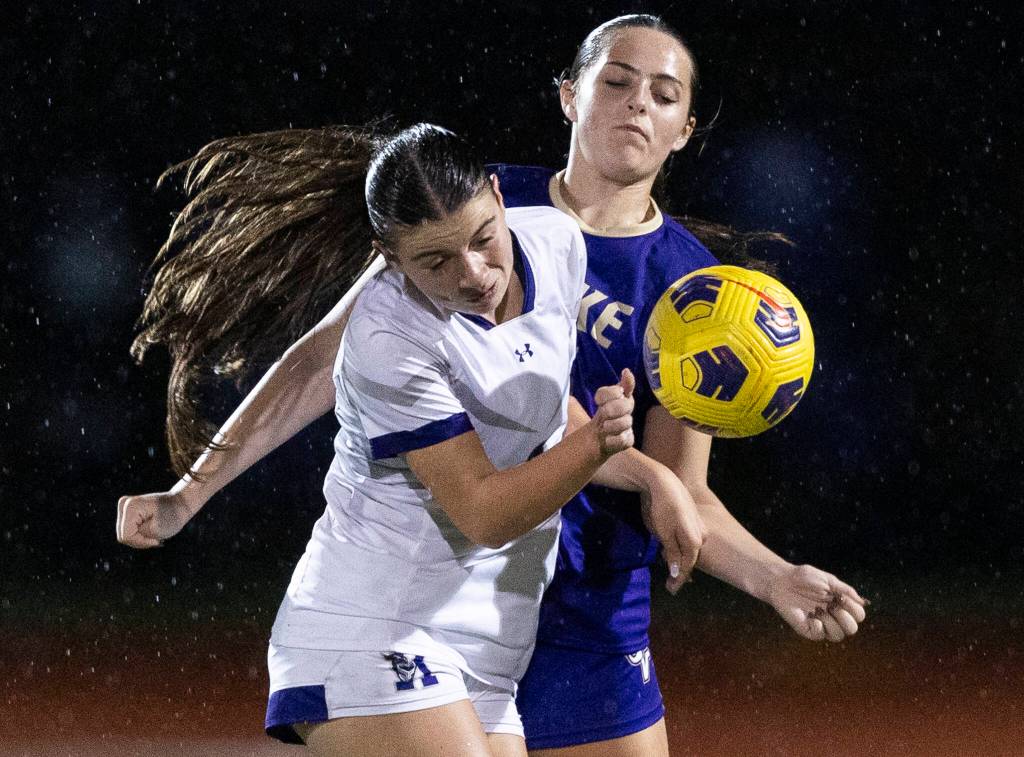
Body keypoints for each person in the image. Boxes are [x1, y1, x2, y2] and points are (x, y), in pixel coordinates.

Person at [119, 14, 868, 757]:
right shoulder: (464, 211)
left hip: (582, 607)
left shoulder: (690, 292)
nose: (639, 102)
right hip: (434, 577)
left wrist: (773, 577)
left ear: (685, 130)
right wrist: (192, 489)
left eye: (664, 94)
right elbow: (324, 359)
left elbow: (676, 487)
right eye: (617, 80)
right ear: (570, 95)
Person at [117, 122, 650, 757]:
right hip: (373, 620)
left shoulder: (558, 243)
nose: (474, 273)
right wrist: (593, 448)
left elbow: (524, 396)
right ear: (388, 257)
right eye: (435, 261)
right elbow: (482, 511)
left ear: (500, 196)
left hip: (495, 632)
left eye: (483, 239)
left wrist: (650, 476)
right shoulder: (388, 332)